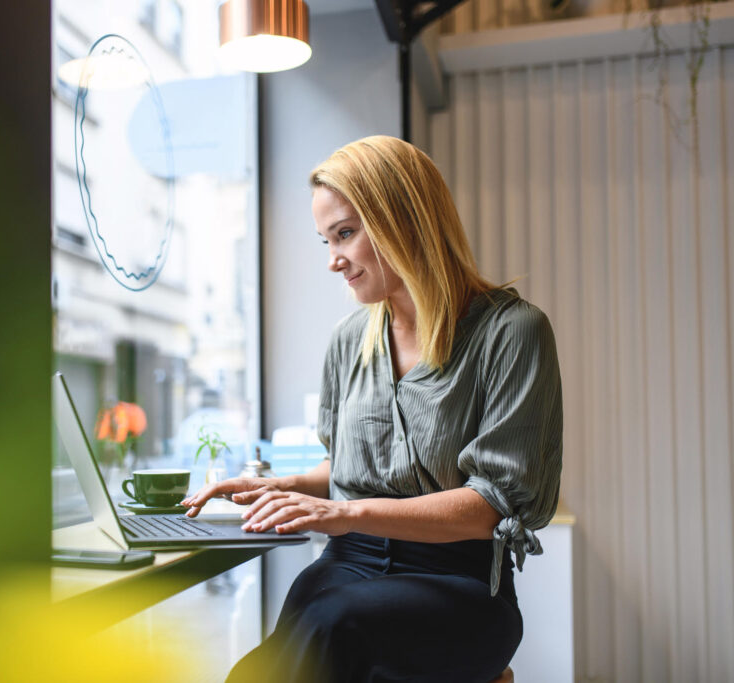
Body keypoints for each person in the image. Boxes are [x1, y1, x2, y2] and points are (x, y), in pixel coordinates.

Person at [182, 136, 562, 683]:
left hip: (459, 583)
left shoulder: (512, 332)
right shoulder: (348, 340)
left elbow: (490, 505)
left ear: (403, 219)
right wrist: (279, 488)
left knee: (334, 626)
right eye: (325, 240)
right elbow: (350, 468)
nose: (334, 260)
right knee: (260, 667)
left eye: (345, 233)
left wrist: (347, 513)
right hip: (348, 565)